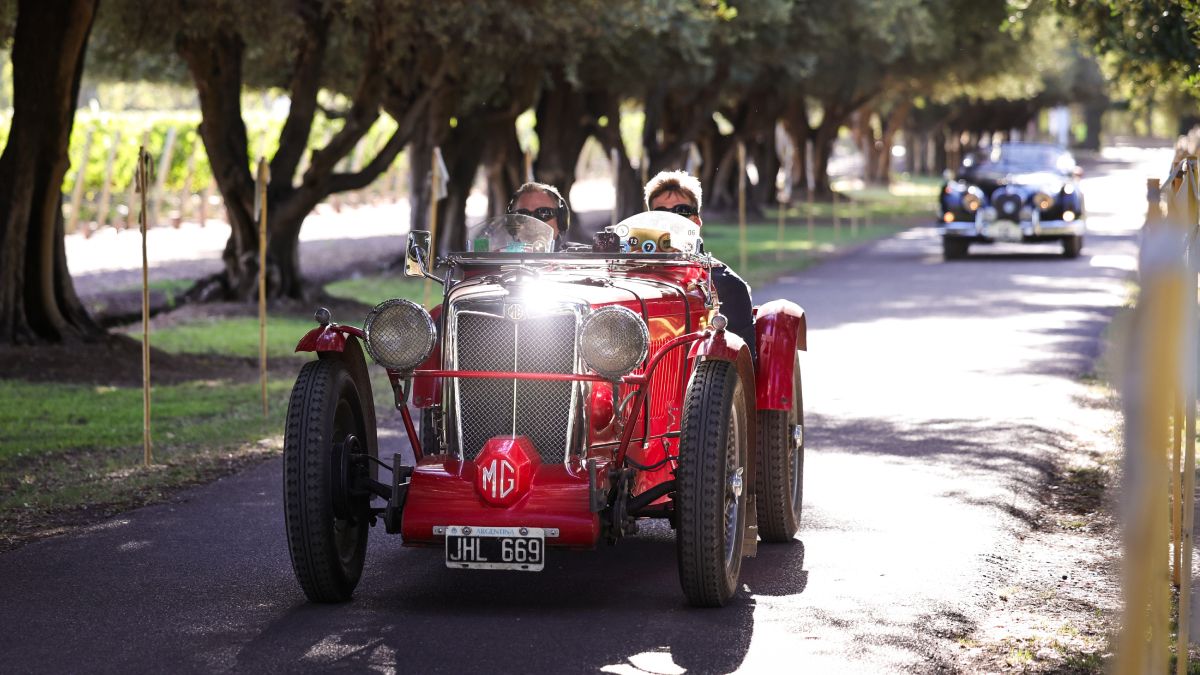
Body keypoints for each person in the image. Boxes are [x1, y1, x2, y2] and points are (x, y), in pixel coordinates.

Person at [644, 170, 756, 359]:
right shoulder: (633, 280)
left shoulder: (726, 285)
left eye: (682, 212)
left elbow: (740, 371)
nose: (672, 220)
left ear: (696, 221)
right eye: (661, 213)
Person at [506, 181, 571, 250]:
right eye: (523, 215)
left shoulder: (577, 258)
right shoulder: (500, 259)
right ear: (512, 223)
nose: (532, 223)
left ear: (561, 220)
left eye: (543, 213)